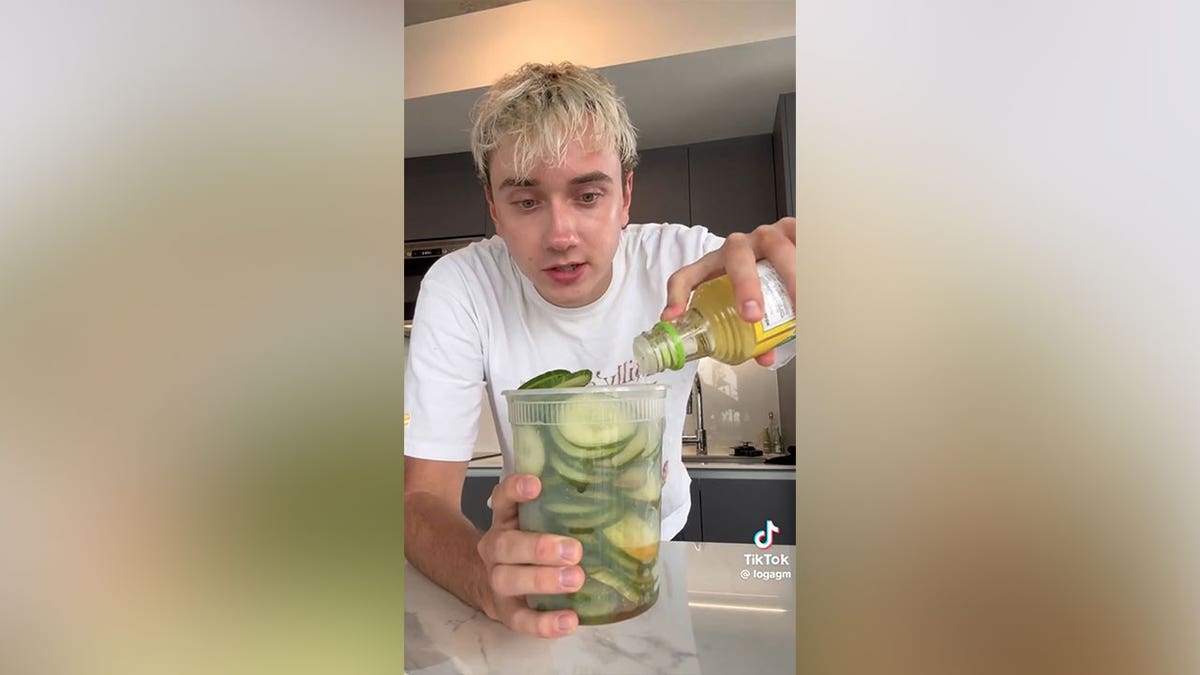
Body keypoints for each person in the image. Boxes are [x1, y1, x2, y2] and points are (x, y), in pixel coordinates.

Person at [403, 62, 796, 638]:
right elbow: (419, 498)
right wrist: (482, 578)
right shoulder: (462, 286)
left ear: (625, 195)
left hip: (658, 545)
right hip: (539, 564)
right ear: (493, 207)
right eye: (527, 202)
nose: (561, 234)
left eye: (588, 194)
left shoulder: (686, 265)